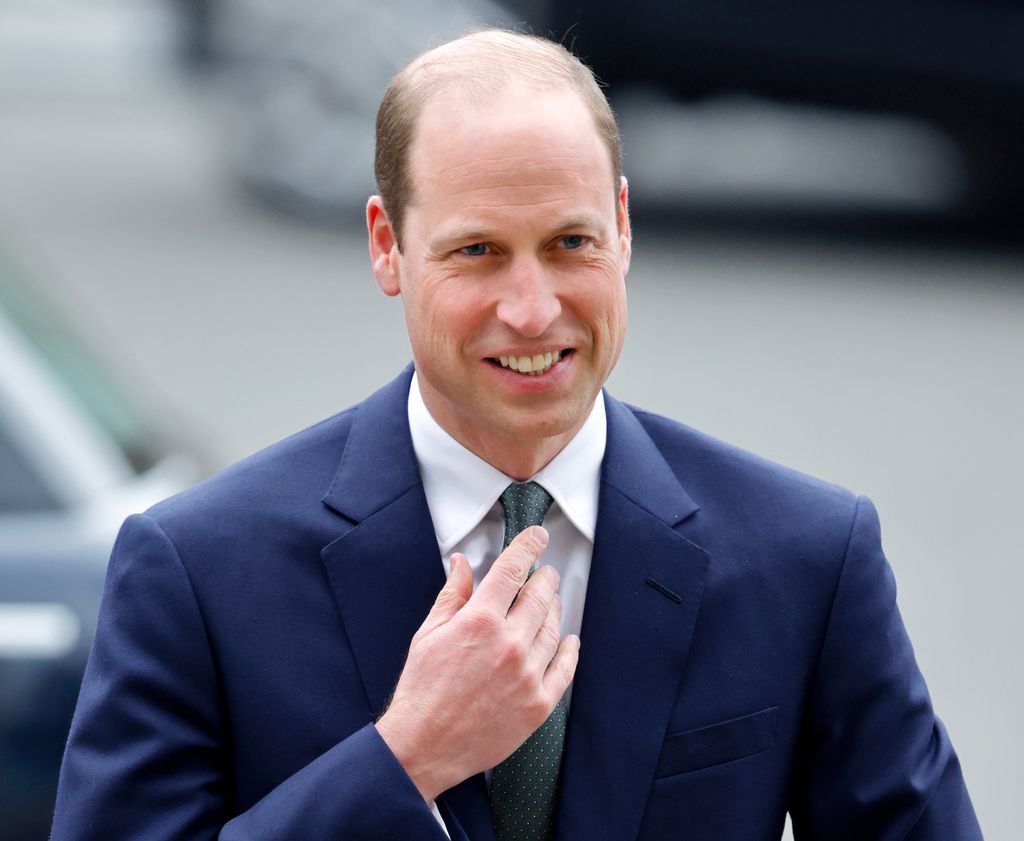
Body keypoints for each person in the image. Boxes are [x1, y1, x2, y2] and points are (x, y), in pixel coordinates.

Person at [51, 28, 981, 841]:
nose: (533, 311)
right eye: (477, 251)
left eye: (571, 243)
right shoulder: (197, 572)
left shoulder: (808, 558)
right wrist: (404, 759)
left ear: (622, 227)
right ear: (387, 246)